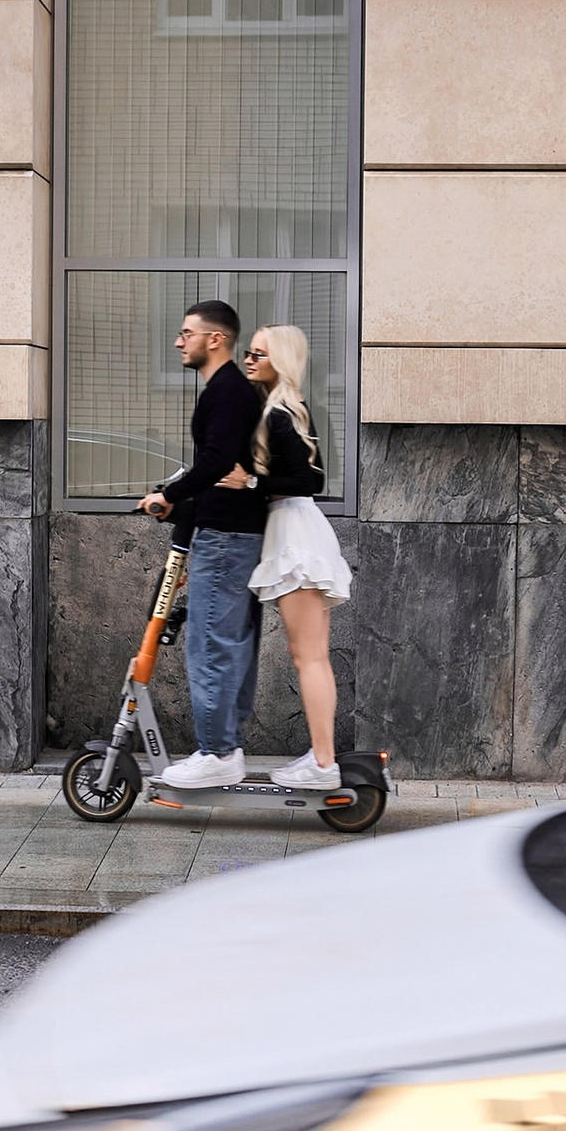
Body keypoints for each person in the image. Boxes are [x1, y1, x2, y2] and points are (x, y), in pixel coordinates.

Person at [138, 298, 265, 787]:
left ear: (215, 339)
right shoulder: (230, 390)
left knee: (211, 643)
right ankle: (223, 747)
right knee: (226, 641)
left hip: (228, 538)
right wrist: (182, 507)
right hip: (229, 532)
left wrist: (167, 493)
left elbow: (216, 462)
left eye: (186, 333)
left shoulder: (228, 391)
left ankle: (217, 752)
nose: (177, 341)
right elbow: (219, 472)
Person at [237, 325, 351, 791]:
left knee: (309, 658)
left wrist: (246, 482)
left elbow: (308, 481)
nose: (249, 359)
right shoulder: (287, 409)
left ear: (279, 361)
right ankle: (321, 759)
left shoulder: (280, 413)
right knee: (312, 657)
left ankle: (323, 763)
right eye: (248, 351)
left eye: (259, 354)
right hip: (298, 531)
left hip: (295, 535)